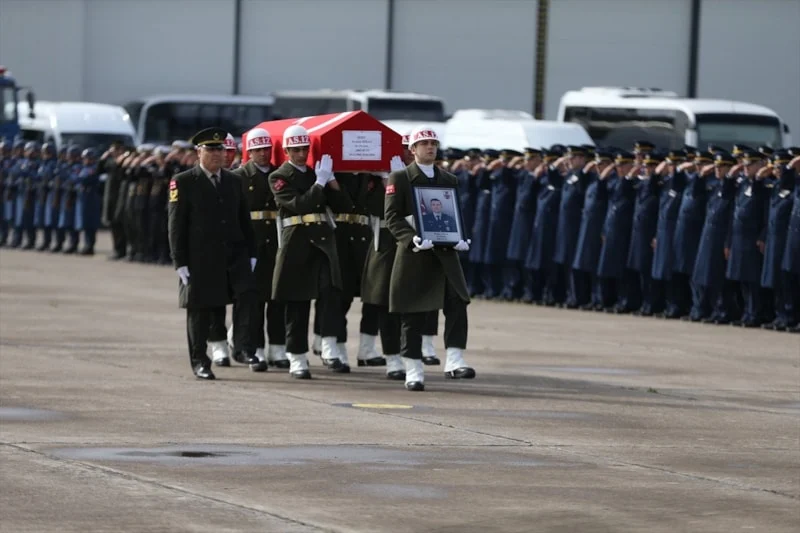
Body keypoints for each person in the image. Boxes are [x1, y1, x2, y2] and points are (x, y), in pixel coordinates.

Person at [384, 126, 475, 391]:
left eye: (433, 143)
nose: (430, 147)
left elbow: (455, 212)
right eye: (424, 143)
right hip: (415, 254)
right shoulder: (399, 178)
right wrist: (410, 238)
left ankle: (455, 360)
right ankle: (413, 369)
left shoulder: (449, 179)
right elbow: (392, 216)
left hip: (446, 255)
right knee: (413, 313)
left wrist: (462, 237)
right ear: (412, 150)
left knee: (457, 302)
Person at [167, 127, 260, 380]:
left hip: (234, 254)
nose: (218, 154)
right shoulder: (184, 181)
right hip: (201, 257)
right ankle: (200, 360)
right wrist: (180, 261)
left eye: (221, 149)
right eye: (211, 149)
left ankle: (242, 347)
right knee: (199, 309)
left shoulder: (234, 181)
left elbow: (244, 220)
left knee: (248, 295)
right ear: (199, 152)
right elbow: (176, 224)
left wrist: (251, 252)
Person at [268, 124, 351, 378]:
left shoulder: (318, 173)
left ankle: (327, 346)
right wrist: (320, 182)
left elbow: (343, 205)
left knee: (330, 294)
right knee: (297, 303)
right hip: (297, 243)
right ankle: (297, 357)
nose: (301, 153)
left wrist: (332, 180)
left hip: (323, 242)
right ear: (286, 151)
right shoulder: (279, 177)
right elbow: (299, 205)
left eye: (305, 148)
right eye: (296, 149)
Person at [229, 127, 288, 371]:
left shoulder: (279, 174)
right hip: (250, 242)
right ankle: (254, 349)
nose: (263, 154)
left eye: (266, 149)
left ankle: (278, 348)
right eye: (257, 150)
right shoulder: (239, 176)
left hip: (276, 241)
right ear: (249, 152)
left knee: (278, 298)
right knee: (252, 300)